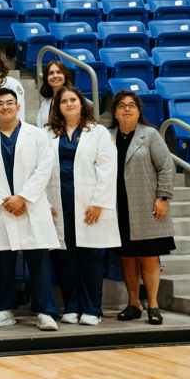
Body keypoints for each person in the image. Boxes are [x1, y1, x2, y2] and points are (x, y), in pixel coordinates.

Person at [0, 87, 61, 331]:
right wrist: (6, 200)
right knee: (3, 263)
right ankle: (4, 309)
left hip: (31, 206)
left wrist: (22, 198)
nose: (5, 107)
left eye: (9, 102)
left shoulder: (37, 135)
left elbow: (45, 168)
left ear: (18, 106)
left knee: (39, 263)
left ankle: (46, 311)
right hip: (2, 208)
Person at [47, 86, 118, 326]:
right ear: (57, 106)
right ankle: (71, 306)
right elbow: (39, 170)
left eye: (73, 100)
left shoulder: (97, 132)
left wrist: (99, 202)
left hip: (89, 205)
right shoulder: (47, 133)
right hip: (60, 203)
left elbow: (107, 169)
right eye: (63, 101)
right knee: (66, 259)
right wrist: (45, 202)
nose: (68, 104)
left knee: (90, 257)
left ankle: (92, 309)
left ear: (81, 103)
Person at [108, 90, 176, 325]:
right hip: (119, 208)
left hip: (148, 206)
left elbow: (166, 167)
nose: (127, 108)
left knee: (148, 256)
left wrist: (163, 197)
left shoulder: (150, 135)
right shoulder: (106, 137)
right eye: (122, 105)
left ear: (138, 112)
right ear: (115, 112)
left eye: (132, 105)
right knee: (127, 257)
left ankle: (153, 305)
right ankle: (133, 303)